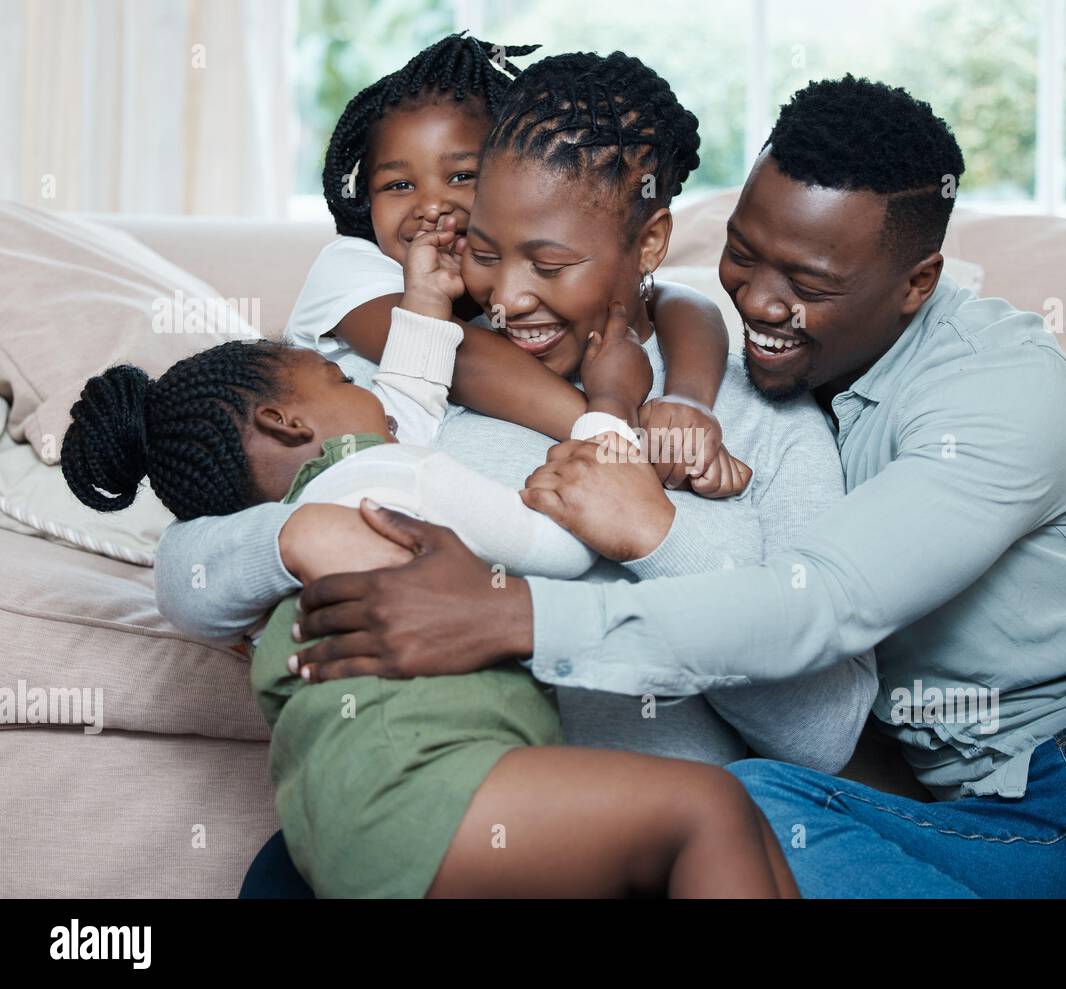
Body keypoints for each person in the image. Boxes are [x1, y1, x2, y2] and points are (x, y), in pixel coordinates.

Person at [154, 53, 878, 896]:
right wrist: (292, 536)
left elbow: (825, 730)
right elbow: (185, 569)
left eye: (549, 261)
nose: (506, 297)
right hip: (412, 823)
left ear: (648, 242)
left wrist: (658, 533)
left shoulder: (763, 421)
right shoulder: (417, 371)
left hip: (640, 859)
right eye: (486, 251)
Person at [60, 225, 798, 899]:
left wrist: (423, 297)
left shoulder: (321, 518)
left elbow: (403, 404)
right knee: (709, 806)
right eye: (346, 381)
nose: (372, 389)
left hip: (345, 826)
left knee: (727, 821)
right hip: (424, 789)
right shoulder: (399, 487)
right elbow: (561, 548)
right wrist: (607, 421)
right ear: (285, 421)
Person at [293, 31, 749, 495]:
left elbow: (674, 299)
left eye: (462, 176)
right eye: (398, 185)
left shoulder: (487, 269)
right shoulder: (350, 267)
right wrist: (616, 422)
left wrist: (689, 398)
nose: (431, 207)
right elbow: (466, 359)